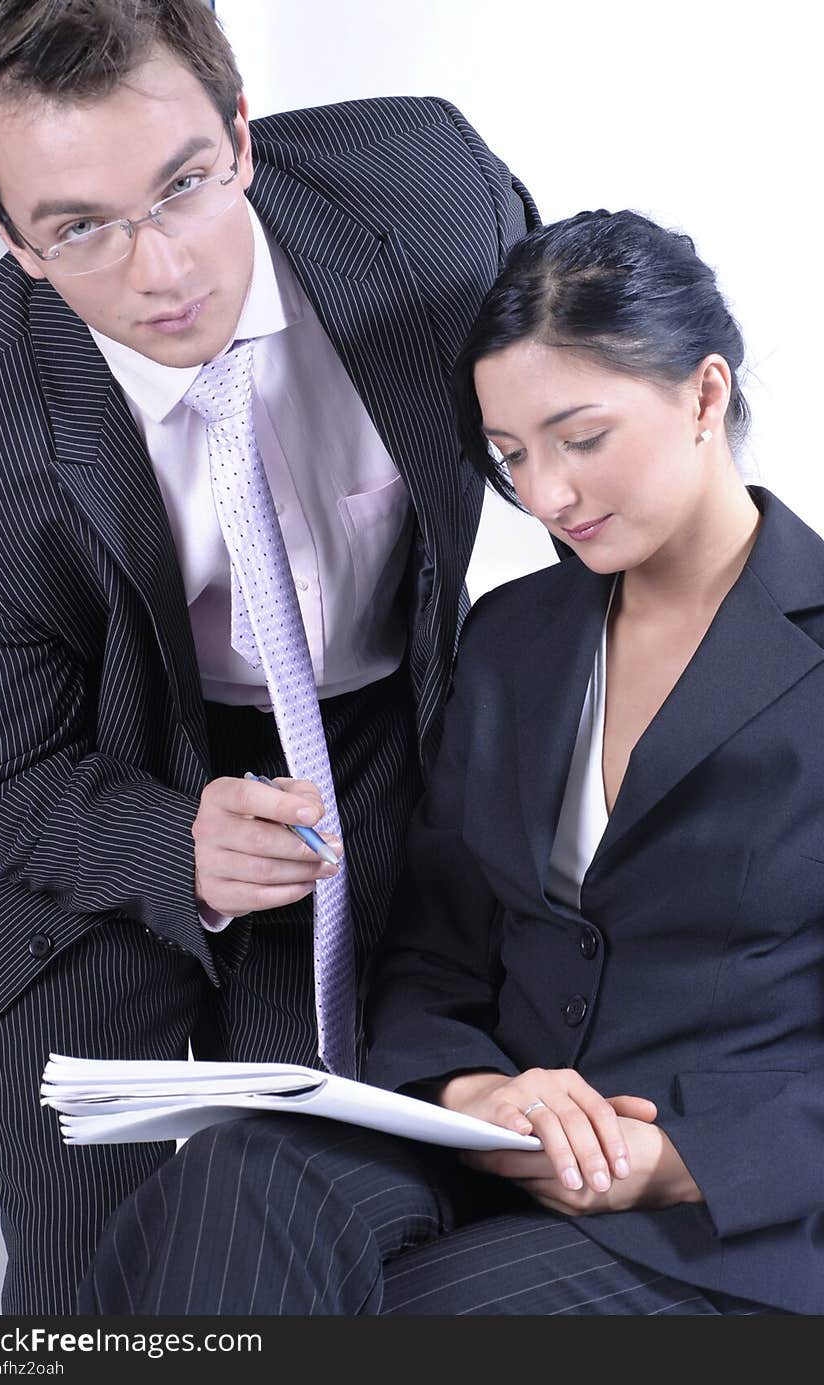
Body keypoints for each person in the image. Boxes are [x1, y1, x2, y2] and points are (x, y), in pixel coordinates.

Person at [81, 208, 822, 1317]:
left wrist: (681, 1158)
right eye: (511, 456)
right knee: (232, 1185)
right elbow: (437, 940)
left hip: (719, 1207)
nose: (547, 496)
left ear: (704, 395)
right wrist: (475, 1089)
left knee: (431, 1310)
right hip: (491, 1139)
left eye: (580, 437)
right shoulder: (514, 633)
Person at [0, 0, 539, 1314]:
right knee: (90, 1285)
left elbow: (569, 398)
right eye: (82, 227)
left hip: (375, 734)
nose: (161, 271)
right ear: (14, 241)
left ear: (242, 138)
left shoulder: (434, 197)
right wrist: (173, 845)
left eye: (183, 187)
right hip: (99, 780)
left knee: (338, 1213)